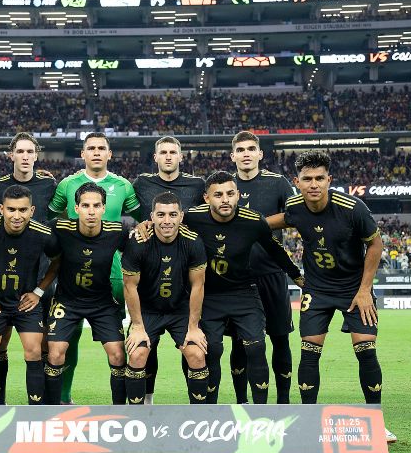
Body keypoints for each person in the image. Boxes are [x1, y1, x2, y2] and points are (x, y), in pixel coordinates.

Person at [266, 151, 396, 443]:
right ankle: (309, 422)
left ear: (329, 180)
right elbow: (266, 224)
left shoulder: (353, 207)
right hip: (317, 289)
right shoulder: (295, 207)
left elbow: (376, 246)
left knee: (366, 349)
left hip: (354, 289)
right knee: (309, 351)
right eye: (307, 179)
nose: (314, 184)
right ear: (297, 182)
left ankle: (376, 421)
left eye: (319, 178)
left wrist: (364, 291)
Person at [156, 172, 303, 404]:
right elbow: (165, 224)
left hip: (244, 293)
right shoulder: (192, 218)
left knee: (256, 346)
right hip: (208, 296)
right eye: (218, 195)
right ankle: (211, 413)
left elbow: (275, 251)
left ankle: (260, 413)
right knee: (212, 351)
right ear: (206, 198)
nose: (225, 199)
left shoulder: (253, 220)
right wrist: (145, 226)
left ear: (237, 196)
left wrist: (297, 276)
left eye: (230, 194)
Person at [47, 132, 141, 404]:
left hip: (113, 275)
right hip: (74, 271)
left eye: (102, 148)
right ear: (83, 154)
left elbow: (142, 217)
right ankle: (63, 397)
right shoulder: (67, 184)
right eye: (91, 148)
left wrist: (144, 228)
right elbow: (50, 216)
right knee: (69, 337)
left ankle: (127, 402)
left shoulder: (122, 185)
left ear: (110, 154)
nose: (97, 152)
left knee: (118, 344)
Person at [0, 132, 57, 405]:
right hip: (2, 277)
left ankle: (46, 403)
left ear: (37, 155)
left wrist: (40, 287)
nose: (25, 157)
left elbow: (56, 223)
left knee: (44, 345)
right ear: (10, 155)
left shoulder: (50, 185)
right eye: (20, 152)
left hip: (40, 276)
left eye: (30, 152)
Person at [0, 185, 60, 405]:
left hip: (25, 304)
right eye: (11, 209)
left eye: (22, 210)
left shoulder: (43, 233)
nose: (17, 216)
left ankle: (35, 411)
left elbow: (57, 261)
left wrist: (38, 291)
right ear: (1, 209)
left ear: (32, 210)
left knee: (34, 350)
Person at [131, 136, 205, 404]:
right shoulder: (141, 184)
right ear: (155, 157)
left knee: (193, 349)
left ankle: (197, 408)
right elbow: (131, 211)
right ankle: (143, 404)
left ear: (181, 156)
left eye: (173, 152)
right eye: (163, 152)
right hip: (151, 272)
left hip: (184, 273)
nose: (168, 156)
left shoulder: (197, 185)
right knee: (145, 350)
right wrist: (138, 225)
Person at [44, 183, 129, 405]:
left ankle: (120, 411)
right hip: (67, 301)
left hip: (102, 303)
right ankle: (51, 410)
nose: (91, 211)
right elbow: (30, 231)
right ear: (76, 208)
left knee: (118, 355)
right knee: (55, 353)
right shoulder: (60, 228)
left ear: (104, 208)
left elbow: (139, 254)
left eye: (96, 205)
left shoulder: (117, 231)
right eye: (85, 205)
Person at [122, 192, 209, 405]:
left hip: (180, 311)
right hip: (147, 311)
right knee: (137, 354)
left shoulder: (193, 242)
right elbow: (129, 286)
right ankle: (138, 414)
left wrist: (194, 327)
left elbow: (198, 285)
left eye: (172, 215)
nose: (167, 221)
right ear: (152, 216)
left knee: (197, 355)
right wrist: (137, 326)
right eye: (161, 215)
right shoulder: (138, 241)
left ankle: (199, 417)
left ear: (181, 216)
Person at [230, 131, 297, 404]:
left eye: (251, 149)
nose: (246, 154)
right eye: (240, 150)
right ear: (233, 156)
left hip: (271, 273)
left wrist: (257, 225)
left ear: (260, 154)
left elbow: (294, 214)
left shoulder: (277, 182)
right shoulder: (224, 185)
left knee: (280, 338)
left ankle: (282, 404)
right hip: (236, 279)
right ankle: (242, 403)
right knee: (238, 342)